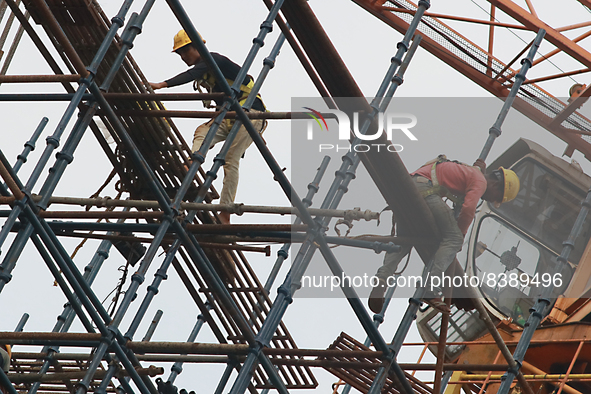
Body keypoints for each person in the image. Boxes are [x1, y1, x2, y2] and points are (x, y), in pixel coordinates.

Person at [368, 156, 520, 314]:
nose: (491, 199)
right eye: (496, 197)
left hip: (409, 187)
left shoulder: (473, 174)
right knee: (453, 238)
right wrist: (460, 235)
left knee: (404, 240)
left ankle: (381, 279)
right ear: (496, 185)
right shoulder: (481, 182)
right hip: (424, 189)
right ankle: (430, 287)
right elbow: (468, 209)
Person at [150, 30, 267, 224]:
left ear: (197, 47)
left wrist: (162, 85)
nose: (183, 57)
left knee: (230, 159)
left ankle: (225, 212)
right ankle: (193, 162)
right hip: (229, 116)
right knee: (202, 131)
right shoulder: (207, 74)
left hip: (251, 115)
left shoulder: (214, 60)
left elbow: (191, 74)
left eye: (185, 52)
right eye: (180, 54)